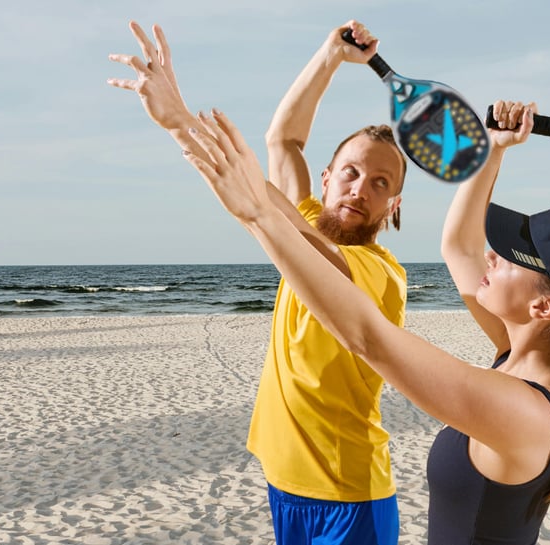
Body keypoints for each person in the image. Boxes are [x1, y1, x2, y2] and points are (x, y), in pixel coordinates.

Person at [177, 96, 550, 543]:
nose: (489, 256)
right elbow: (458, 246)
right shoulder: (524, 355)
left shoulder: (525, 413)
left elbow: (369, 337)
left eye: (508, 258)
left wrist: (259, 214)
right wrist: (492, 149)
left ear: (545, 308)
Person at [109, 20, 409, 544]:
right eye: (351, 172)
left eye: (381, 183)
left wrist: (183, 125)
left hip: (351, 494)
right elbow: (285, 138)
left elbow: (291, 233)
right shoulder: (308, 214)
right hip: (283, 479)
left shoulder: (382, 274)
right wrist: (330, 55)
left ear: (394, 205)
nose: (361, 189)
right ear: (326, 176)